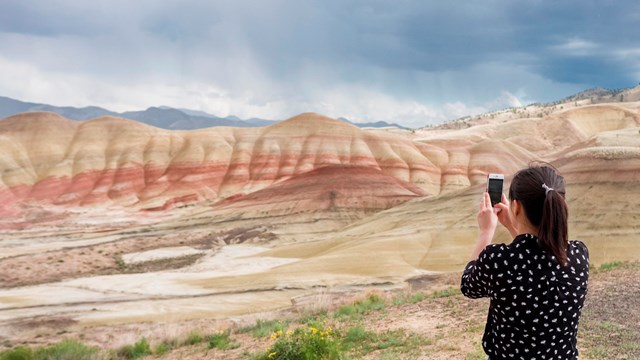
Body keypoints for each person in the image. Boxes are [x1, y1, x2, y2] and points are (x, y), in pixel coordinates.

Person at [460, 165, 589, 359]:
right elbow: (535, 256)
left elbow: (469, 285)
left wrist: (486, 231)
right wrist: (515, 226)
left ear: (516, 206)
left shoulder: (499, 261)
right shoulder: (578, 254)